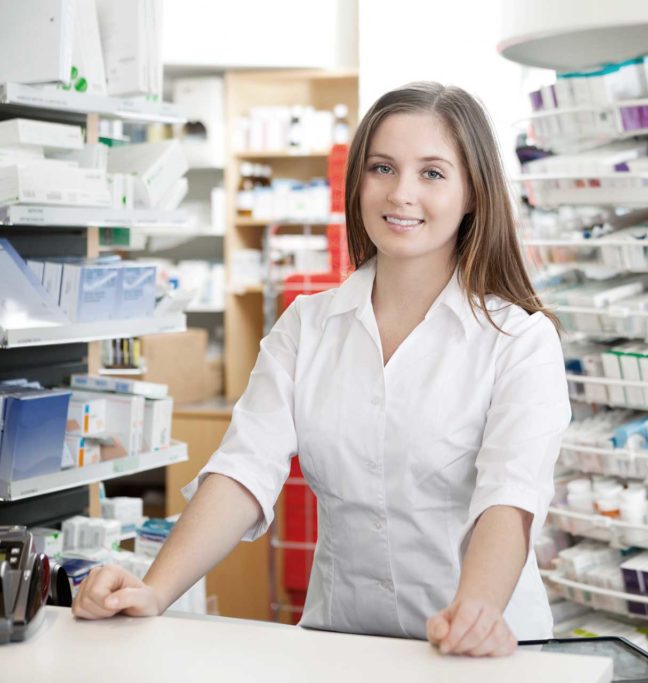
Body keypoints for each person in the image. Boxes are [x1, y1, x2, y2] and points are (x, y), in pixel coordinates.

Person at [71, 82, 571, 658]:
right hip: (343, 644)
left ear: (472, 195)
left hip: (482, 650)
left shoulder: (518, 340)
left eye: (432, 173)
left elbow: (508, 496)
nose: (401, 193)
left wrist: (478, 607)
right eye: (382, 168)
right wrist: (154, 591)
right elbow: (243, 471)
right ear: (357, 181)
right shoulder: (307, 326)